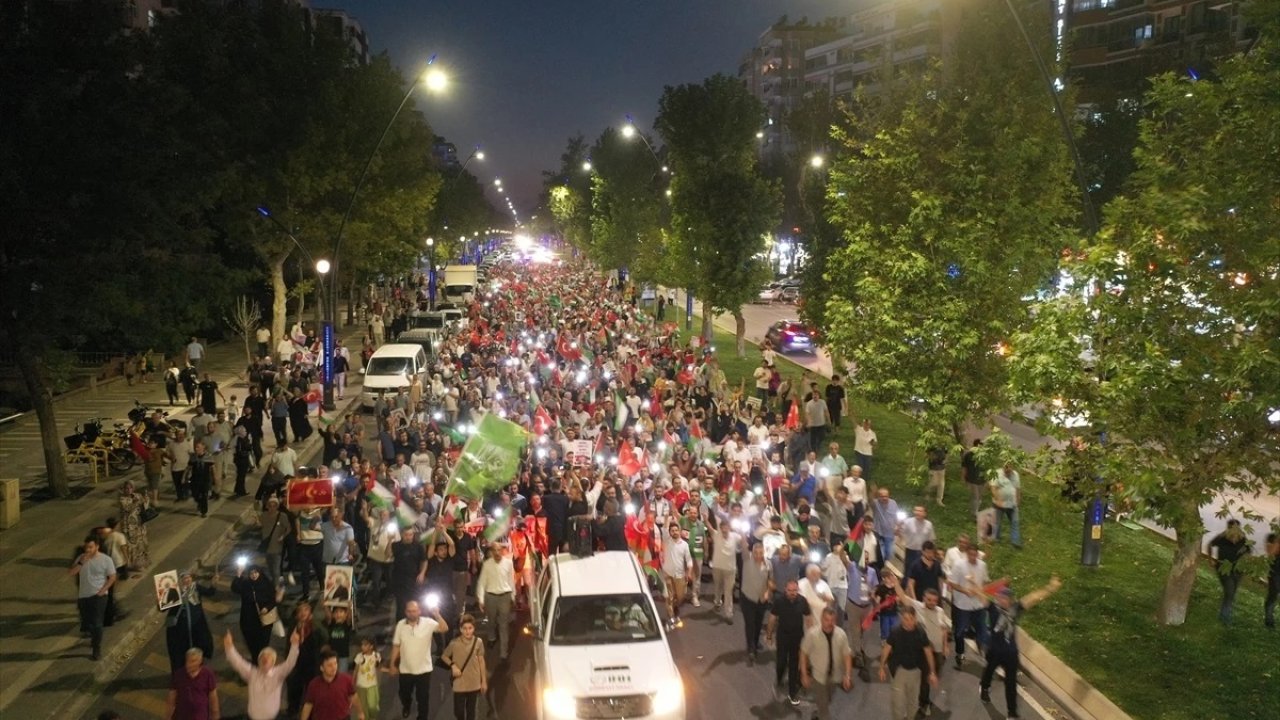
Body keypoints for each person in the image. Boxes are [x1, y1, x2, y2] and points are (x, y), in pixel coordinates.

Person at [980, 576, 1063, 719]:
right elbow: (979, 594)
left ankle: (1012, 713)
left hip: (1011, 654)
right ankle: (984, 687)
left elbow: (1033, 597)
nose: (1001, 600)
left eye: (1004, 598)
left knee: (1011, 684)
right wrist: (972, 583)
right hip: (994, 651)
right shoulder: (992, 608)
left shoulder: (1015, 609)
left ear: (1010, 600)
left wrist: (1050, 588)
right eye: (999, 597)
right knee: (989, 671)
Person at [389, 599, 449, 720]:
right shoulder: (401, 625)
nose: (412, 613)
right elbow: (396, 646)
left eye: (414, 611)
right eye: (409, 611)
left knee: (423, 698)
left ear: (419, 611)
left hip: (424, 670)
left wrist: (437, 614)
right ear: (405, 612)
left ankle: (422, 717)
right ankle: (407, 705)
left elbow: (444, 628)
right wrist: (392, 665)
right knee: (404, 693)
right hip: (406, 669)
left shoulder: (428, 623)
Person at [224, 627, 301, 720]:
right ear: (259, 661)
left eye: (268, 657)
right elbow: (238, 662)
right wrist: (229, 647)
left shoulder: (278, 673)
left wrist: (294, 645)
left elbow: (290, 663)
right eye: (263, 657)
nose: (265, 659)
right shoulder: (252, 673)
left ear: (273, 662)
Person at [879, 605, 938, 720]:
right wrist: (881, 667)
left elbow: (928, 652)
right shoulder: (895, 631)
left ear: (915, 618)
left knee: (913, 702)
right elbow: (887, 648)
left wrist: (932, 672)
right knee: (898, 703)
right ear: (901, 618)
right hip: (899, 671)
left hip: (916, 671)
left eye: (911, 618)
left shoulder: (921, 632)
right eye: (905, 619)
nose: (909, 622)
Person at [800, 607, 854, 720]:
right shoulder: (812, 634)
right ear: (821, 618)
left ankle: (818, 713)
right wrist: (804, 674)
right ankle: (822, 714)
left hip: (835, 677)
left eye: (832, 620)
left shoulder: (841, 635)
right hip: (818, 677)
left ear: (835, 620)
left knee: (827, 699)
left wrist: (847, 675)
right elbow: (803, 653)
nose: (829, 623)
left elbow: (847, 655)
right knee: (824, 708)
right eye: (826, 619)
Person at [903, 588, 951, 715]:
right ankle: (923, 702)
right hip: (924, 651)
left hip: (938, 651)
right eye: (929, 600)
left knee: (933, 675)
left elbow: (944, 629)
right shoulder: (918, 607)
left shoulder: (940, 611)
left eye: (935, 600)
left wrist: (945, 645)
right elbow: (902, 597)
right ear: (924, 598)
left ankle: (921, 695)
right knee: (926, 677)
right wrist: (896, 583)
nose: (932, 602)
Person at [69, 537, 117, 660]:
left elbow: (112, 577)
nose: (88, 550)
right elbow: (71, 572)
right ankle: (94, 637)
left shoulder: (106, 560)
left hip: (98, 596)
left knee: (97, 623)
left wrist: (102, 590)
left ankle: (96, 648)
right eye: (86, 547)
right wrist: (81, 563)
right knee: (87, 623)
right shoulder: (81, 558)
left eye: (90, 547)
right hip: (83, 596)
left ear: (97, 546)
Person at [766, 579, 812, 706]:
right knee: (781, 662)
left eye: (795, 590)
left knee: (793, 665)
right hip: (783, 637)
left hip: (797, 638)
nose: (792, 593)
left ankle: (792, 693)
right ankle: (779, 678)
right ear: (785, 590)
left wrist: (811, 636)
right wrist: (769, 635)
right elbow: (772, 618)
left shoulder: (802, 601)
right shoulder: (779, 601)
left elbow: (808, 618)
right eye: (790, 590)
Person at [946, 544, 990, 669]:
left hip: (978, 606)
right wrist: (965, 591)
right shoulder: (959, 565)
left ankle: (985, 654)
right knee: (960, 632)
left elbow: (985, 581)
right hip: (962, 606)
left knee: (982, 631)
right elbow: (952, 583)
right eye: (970, 554)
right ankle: (960, 654)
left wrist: (981, 591)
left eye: (974, 554)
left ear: (977, 554)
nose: (972, 557)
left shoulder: (982, 566)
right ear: (966, 554)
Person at [441, 614, 489, 720]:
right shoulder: (454, 643)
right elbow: (444, 656)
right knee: (458, 711)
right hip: (459, 682)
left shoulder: (478, 642)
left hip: (474, 681)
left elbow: (481, 661)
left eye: (470, 628)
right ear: (461, 629)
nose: (467, 631)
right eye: (465, 628)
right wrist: (453, 665)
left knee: (471, 711)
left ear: (474, 628)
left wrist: (483, 681)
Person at [165, 571, 215, 672]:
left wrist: (214, 584)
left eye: (188, 578)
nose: (187, 580)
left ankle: (197, 669)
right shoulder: (175, 591)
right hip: (180, 629)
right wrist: (160, 600)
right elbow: (163, 607)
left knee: (199, 647)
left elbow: (210, 592)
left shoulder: (196, 587)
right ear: (180, 581)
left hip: (197, 625)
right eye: (184, 579)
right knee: (181, 651)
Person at [231, 563, 280, 664]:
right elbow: (235, 588)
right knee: (252, 645)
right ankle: (255, 663)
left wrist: (267, 607)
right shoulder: (246, 584)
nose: (254, 575)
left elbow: (273, 599)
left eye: (255, 572)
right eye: (251, 573)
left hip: (264, 622)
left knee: (263, 645)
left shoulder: (266, 584)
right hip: (248, 620)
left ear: (259, 572)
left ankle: (263, 663)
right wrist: (238, 575)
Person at [476, 541, 516, 662]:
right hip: (490, 597)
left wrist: (513, 596)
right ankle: (492, 637)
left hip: (505, 596)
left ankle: (504, 652)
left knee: (503, 624)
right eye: (495, 550)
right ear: (491, 552)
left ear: (502, 551)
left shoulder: (508, 563)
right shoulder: (487, 564)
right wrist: (481, 599)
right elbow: (482, 583)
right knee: (491, 621)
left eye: (499, 550)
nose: (497, 553)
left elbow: (511, 580)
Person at [1207, 519, 1251, 625]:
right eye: (1232, 528)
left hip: (1238, 570)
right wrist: (1210, 559)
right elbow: (1210, 545)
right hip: (1224, 569)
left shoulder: (1243, 539)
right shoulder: (1222, 538)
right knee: (1230, 592)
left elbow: (1248, 552)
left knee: (1231, 593)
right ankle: (1225, 616)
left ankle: (1226, 612)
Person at [301, 650, 364, 720]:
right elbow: (308, 705)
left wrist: (360, 712)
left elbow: (354, 697)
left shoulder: (346, 680)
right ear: (321, 668)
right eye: (329, 665)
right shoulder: (314, 685)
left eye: (335, 663)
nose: (334, 667)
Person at [739, 542, 771, 665]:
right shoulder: (747, 560)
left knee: (758, 624)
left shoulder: (768, 564)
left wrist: (767, 593)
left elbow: (770, 581)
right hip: (747, 598)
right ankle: (751, 649)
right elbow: (743, 545)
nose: (758, 555)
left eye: (761, 553)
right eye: (756, 553)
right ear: (753, 552)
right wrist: (742, 532)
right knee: (750, 624)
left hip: (761, 600)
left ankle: (755, 642)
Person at [166, 648, 219, 720]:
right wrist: (168, 717)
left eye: (193, 661)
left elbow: (213, 698)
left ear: (200, 661)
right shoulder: (179, 675)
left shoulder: (208, 674)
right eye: (188, 661)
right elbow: (171, 698)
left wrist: (215, 715)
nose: (190, 664)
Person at [661, 522, 694, 629]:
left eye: (676, 530)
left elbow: (689, 560)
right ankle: (671, 618)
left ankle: (675, 608)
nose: (674, 532)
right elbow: (664, 528)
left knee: (680, 596)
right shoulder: (666, 541)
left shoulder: (684, 545)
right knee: (669, 597)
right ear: (670, 532)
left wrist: (689, 573)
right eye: (672, 531)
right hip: (667, 573)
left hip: (680, 575)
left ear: (679, 531)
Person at [709, 519, 742, 622]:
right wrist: (706, 520)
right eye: (722, 526)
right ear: (720, 527)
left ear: (729, 527)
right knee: (717, 587)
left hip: (730, 570)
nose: (724, 529)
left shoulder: (735, 536)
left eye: (726, 526)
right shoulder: (716, 534)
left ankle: (728, 614)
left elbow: (743, 541)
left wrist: (743, 533)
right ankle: (717, 603)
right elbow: (710, 529)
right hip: (717, 567)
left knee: (728, 592)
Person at [117, 481, 151, 570]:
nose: (128, 490)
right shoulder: (122, 499)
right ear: (123, 489)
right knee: (132, 545)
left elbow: (144, 507)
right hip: (129, 526)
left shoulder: (138, 495)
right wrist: (136, 502)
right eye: (126, 488)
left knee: (142, 543)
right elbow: (128, 509)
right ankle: (134, 565)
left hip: (139, 524)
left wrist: (146, 500)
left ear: (133, 488)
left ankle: (143, 563)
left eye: (130, 488)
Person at [989, 462, 1022, 547]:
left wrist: (1018, 500)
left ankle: (1015, 542)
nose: (1007, 471)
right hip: (999, 504)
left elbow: (1017, 488)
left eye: (1009, 470)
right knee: (997, 523)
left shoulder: (1016, 475)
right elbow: (993, 488)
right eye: (1005, 469)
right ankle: (995, 538)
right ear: (1003, 467)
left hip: (1012, 504)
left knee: (1015, 522)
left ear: (1012, 468)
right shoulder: (996, 473)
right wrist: (998, 500)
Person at [352, 637, 383, 719]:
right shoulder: (359, 656)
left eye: (365, 645)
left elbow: (379, 667)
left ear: (371, 646)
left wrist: (391, 670)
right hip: (361, 686)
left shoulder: (376, 656)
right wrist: (352, 683)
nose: (362, 647)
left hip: (372, 685)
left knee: (373, 707)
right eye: (362, 645)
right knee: (363, 708)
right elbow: (355, 670)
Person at [899, 506, 936, 573]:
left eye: (920, 511)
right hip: (910, 550)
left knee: (921, 570)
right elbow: (900, 533)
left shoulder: (929, 524)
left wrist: (931, 553)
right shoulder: (908, 522)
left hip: (923, 552)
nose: (917, 512)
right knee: (908, 570)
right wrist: (899, 526)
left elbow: (931, 539)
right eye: (916, 510)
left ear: (925, 513)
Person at [961, 439, 984, 517]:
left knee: (980, 497)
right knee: (975, 496)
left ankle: (975, 509)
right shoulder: (968, 455)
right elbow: (964, 467)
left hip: (982, 479)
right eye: (980, 445)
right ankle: (974, 513)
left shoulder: (984, 456)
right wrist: (963, 477)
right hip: (972, 479)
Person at [1266, 532, 1280, 630]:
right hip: (1275, 573)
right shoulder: (1275, 539)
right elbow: (1271, 553)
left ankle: (1269, 620)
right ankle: (1269, 620)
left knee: (1272, 597)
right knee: (1272, 596)